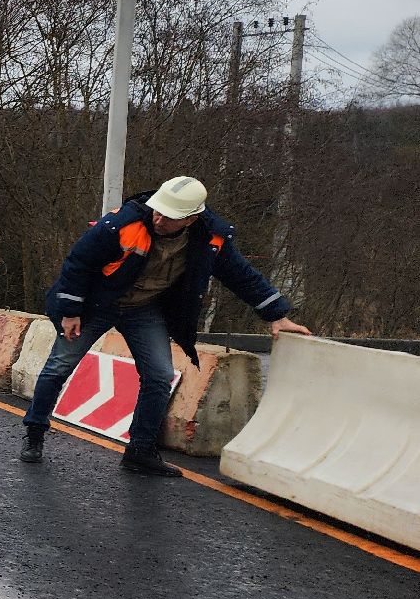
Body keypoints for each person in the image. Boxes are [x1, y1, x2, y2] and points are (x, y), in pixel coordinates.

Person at [22, 175, 311, 475]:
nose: (158, 219)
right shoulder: (122, 225)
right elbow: (78, 264)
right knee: (60, 365)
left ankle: (140, 451)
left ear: (192, 219)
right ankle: (34, 433)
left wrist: (276, 315)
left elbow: (242, 275)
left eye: (169, 217)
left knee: (159, 376)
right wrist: (70, 312)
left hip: (143, 309)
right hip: (97, 304)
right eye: (157, 210)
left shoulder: (210, 238)